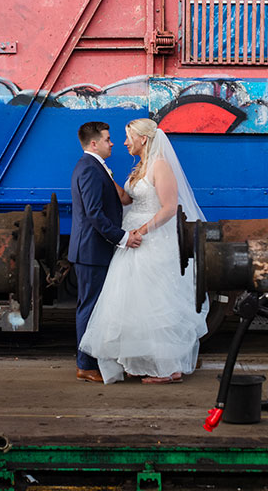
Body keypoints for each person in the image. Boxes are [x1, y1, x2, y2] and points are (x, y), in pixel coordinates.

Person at [79, 117, 209, 384]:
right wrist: (107, 177)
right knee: (136, 304)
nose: (124, 142)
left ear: (143, 139)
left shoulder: (160, 166)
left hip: (152, 239)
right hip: (133, 239)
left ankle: (169, 368)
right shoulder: (140, 166)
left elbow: (169, 207)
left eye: (129, 137)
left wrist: (142, 231)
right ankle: (146, 361)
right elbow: (127, 198)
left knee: (158, 302)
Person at [69, 122, 143, 383]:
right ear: (94, 144)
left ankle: (90, 361)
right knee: (89, 308)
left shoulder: (93, 166)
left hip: (94, 249)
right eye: (108, 139)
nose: (112, 143)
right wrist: (123, 238)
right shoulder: (89, 169)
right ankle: (85, 365)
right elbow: (94, 214)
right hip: (91, 250)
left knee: (93, 306)